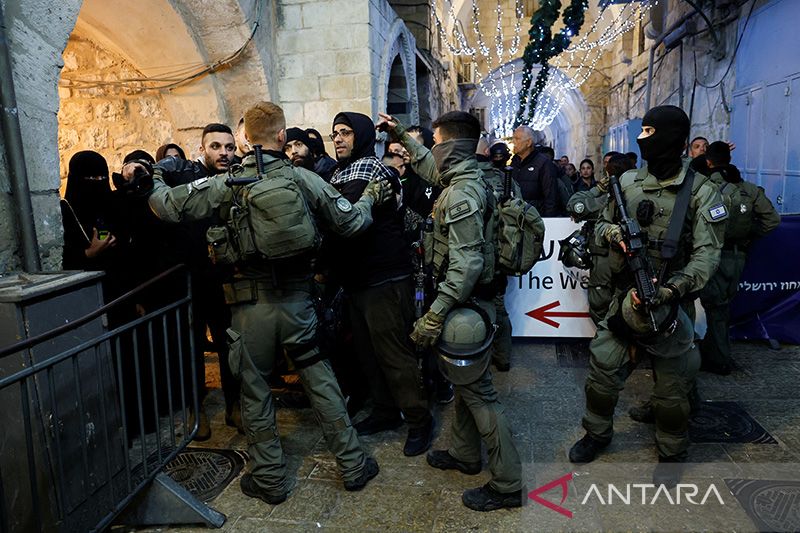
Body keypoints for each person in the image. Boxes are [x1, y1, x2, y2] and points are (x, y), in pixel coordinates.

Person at [126, 101, 390, 503]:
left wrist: (159, 174)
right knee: (321, 383)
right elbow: (351, 222)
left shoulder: (227, 183)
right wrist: (371, 195)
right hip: (300, 304)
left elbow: (165, 206)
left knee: (254, 392)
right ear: (282, 137)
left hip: (249, 310)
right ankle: (353, 464)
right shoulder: (304, 179)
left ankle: (269, 478)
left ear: (246, 138)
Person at [568, 105, 727, 488]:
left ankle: (672, 452)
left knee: (672, 393)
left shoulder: (703, 191)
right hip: (626, 298)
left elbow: (708, 255)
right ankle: (597, 434)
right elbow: (601, 223)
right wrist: (614, 236)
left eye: (652, 132)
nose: (643, 139)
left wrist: (672, 289)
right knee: (602, 371)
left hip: (672, 300)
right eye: (643, 131)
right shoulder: (626, 184)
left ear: (675, 139)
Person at [381, 110, 523, 512]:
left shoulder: (460, 194)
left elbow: (466, 265)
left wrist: (434, 316)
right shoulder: (466, 178)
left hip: (466, 307)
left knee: (480, 394)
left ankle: (508, 483)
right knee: (465, 385)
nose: (432, 150)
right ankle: (465, 453)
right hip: (473, 302)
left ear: (452, 147)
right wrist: (401, 136)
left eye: (437, 142)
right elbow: (427, 165)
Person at [324, 111, 434, 457]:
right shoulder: (340, 172)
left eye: (345, 133)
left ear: (362, 136)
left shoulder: (376, 170)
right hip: (356, 281)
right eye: (334, 134)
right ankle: (386, 411)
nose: (338, 139)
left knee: (394, 355)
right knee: (368, 354)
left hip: (383, 279)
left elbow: (346, 217)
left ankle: (419, 420)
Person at [124, 124, 241, 439]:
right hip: (191, 278)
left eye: (229, 147)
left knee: (230, 344)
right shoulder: (186, 171)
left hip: (225, 276)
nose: (224, 153)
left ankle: (234, 406)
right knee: (190, 348)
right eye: (216, 146)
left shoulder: (238, 175)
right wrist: (146, 167)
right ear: (203, 149)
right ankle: (196, 410)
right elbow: (167, 165)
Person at [698, 141, 780, 374]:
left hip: (710, 255)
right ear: (730, 160)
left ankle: (719, 359)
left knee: (715, 308)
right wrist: (750, 235)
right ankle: (716, 353)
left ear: (709, 162)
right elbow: (772, 221)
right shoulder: (750, 190)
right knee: (722, 306)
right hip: (737, 256)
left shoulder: (704, 186)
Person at [566, 154, 633, 325]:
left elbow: (575, 204)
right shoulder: (637, 198)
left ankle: (610, 341)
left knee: (600, 301)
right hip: (628, 259)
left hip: (604, 257)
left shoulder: (605, 200)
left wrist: (599, 188)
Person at [476, 137, 522, 372]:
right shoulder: (506, 180)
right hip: (498, 255)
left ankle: (475, 357)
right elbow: (519, 213)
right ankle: (502, 357)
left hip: (469, 254)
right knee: (498, 307)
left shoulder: (463, 178)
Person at [511, 126, 559, 216]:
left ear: (528, 143)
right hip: (516, 219)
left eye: (517, 139)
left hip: (535, 219)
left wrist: (548, 222)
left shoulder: (543, 164)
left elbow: (551, 198)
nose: (513, 142)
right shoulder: (514, 163)